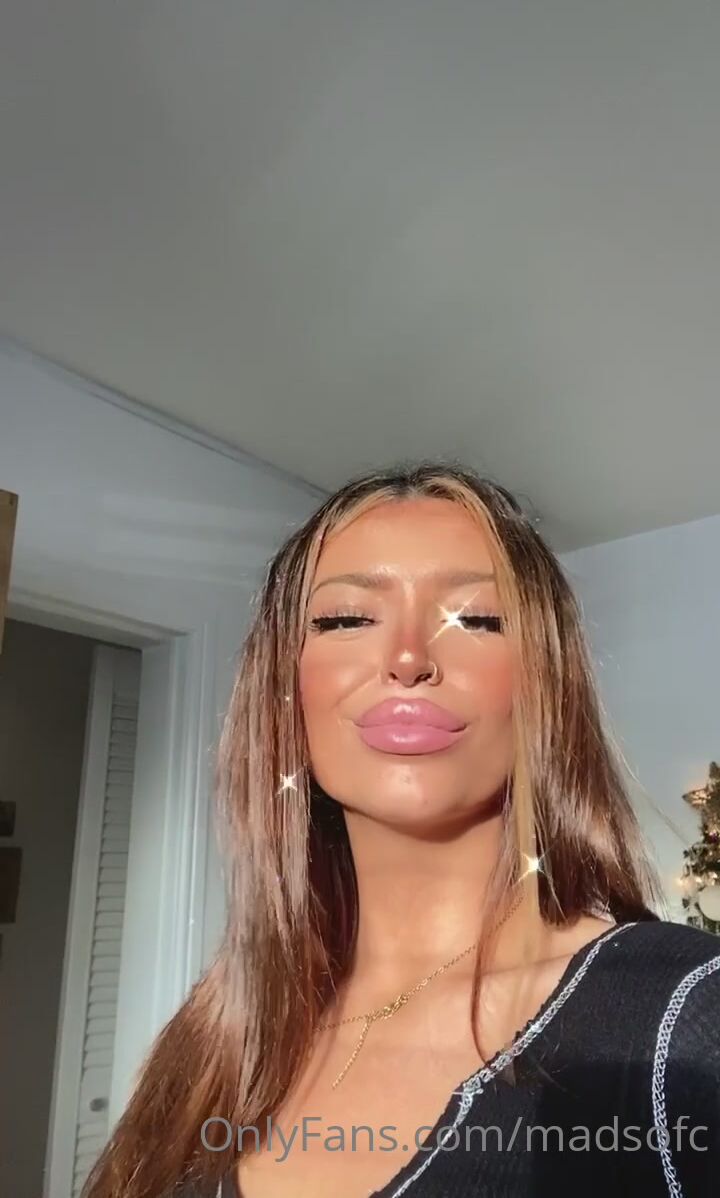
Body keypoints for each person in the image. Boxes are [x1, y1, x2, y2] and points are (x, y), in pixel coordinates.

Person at [83, 460, 720, 1198]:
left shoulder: (684, 1016)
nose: (410, 659)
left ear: (546, 680)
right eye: (346, 619)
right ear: (285, 684)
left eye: (476, 618)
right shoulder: (215, 1034)